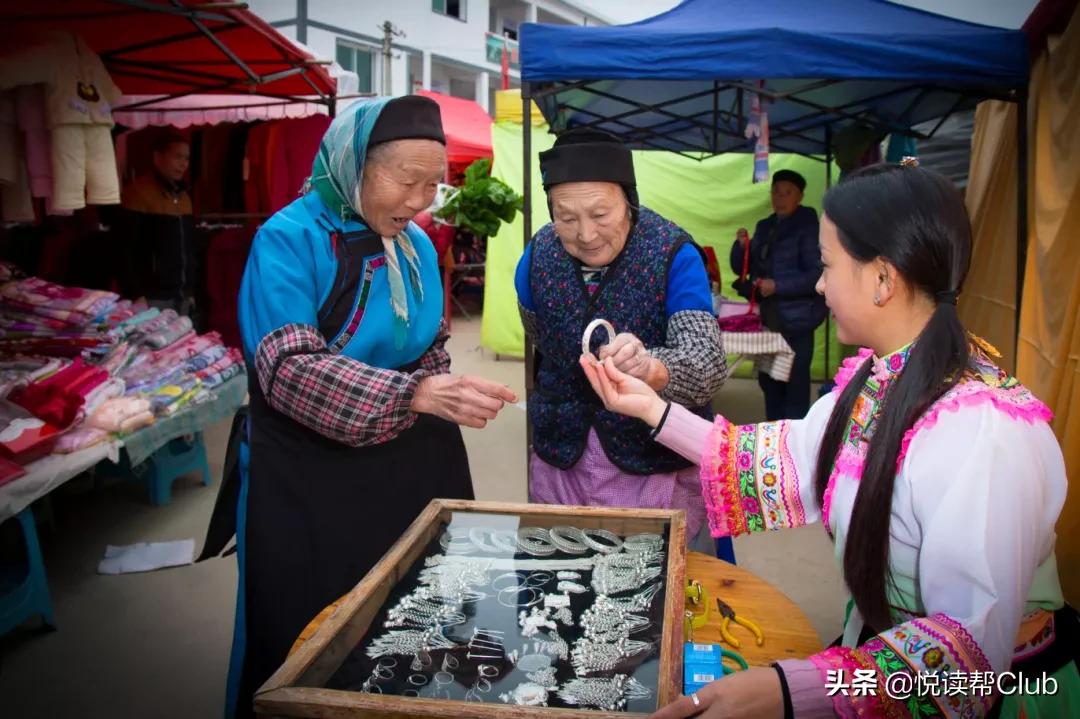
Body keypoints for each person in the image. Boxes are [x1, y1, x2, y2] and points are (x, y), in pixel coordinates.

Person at [582, 164, 1078, 718]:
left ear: (882, 279)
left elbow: (964, 655)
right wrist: (650, 408)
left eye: (826, 265)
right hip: (878, 662)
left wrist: (794, 690)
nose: (819, 285)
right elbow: (778, 458)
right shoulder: (874, 379)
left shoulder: (984, 433)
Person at [208, 96, 517, 719]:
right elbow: (287, 369)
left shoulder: (418, 247)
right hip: (308, 471)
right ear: (353, 166)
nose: (420, 201)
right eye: (406, 182)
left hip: (412, 458)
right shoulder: (288, 240)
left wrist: (442, 389)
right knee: (315, 629)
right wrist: (414, 394)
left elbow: (429, 341)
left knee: (421, 610)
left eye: (433, 185)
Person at [516, 128, 727, 547]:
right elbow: (542, 338)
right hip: (562, 461)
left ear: (628, 201)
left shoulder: (672, 253)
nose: (586, 234)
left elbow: (706, 364)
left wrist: (652, 367)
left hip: (652, 468)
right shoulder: (537, 257)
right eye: (567, 217)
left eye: (600, 214)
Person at [731, 169, 826, 421]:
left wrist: (778, 285)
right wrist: (741, 248)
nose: (780, 198)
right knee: (769, 382)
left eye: (787, 193)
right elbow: (744, 268)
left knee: (794, 387)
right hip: (769, 321)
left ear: (800, 196)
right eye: (776, 191)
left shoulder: (808, 227)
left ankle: (795, 451)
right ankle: (772, 440)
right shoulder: (765, 226)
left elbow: (817, 275)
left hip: (797, 322)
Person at [119, 132, 199, 319]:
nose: (183, 164)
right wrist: (136, 293)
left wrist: (191, 290)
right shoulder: (138, 193)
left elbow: (189, 250)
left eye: (186, 158)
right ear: (158, 157)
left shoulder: (184, 196)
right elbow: (124, 249)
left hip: (181, 295)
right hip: (152, 297)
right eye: (177, 157)